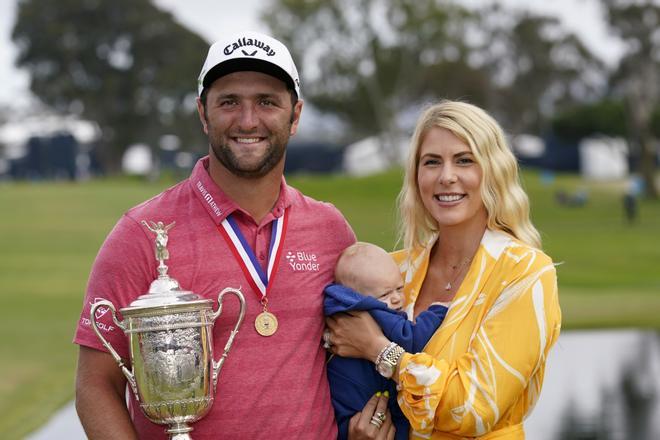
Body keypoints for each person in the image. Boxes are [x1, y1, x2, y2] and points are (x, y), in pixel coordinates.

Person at [73, 31, 384, 439]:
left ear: (296, 115)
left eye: (267, 102)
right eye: (229, 102)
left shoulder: (330, 230)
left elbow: (358, 346)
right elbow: (95, 385)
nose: (248, 120)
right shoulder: (142, 234)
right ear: (203, 113)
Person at [326, 100, 562, 439]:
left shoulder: (525, 273)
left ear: (492, 169)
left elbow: (474, 408)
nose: (446, 177)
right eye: (432, 162)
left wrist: (379, 350)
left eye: (464, 160)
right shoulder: (393, 271)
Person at [323, 242, 449, 440]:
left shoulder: (342, 307)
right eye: (385, 294)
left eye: (399, 288)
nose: (397, 299)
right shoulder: (372, 310)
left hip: (344, 403)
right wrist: (436, 313)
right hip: (366, 401)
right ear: (357, 294)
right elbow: (410, 340)